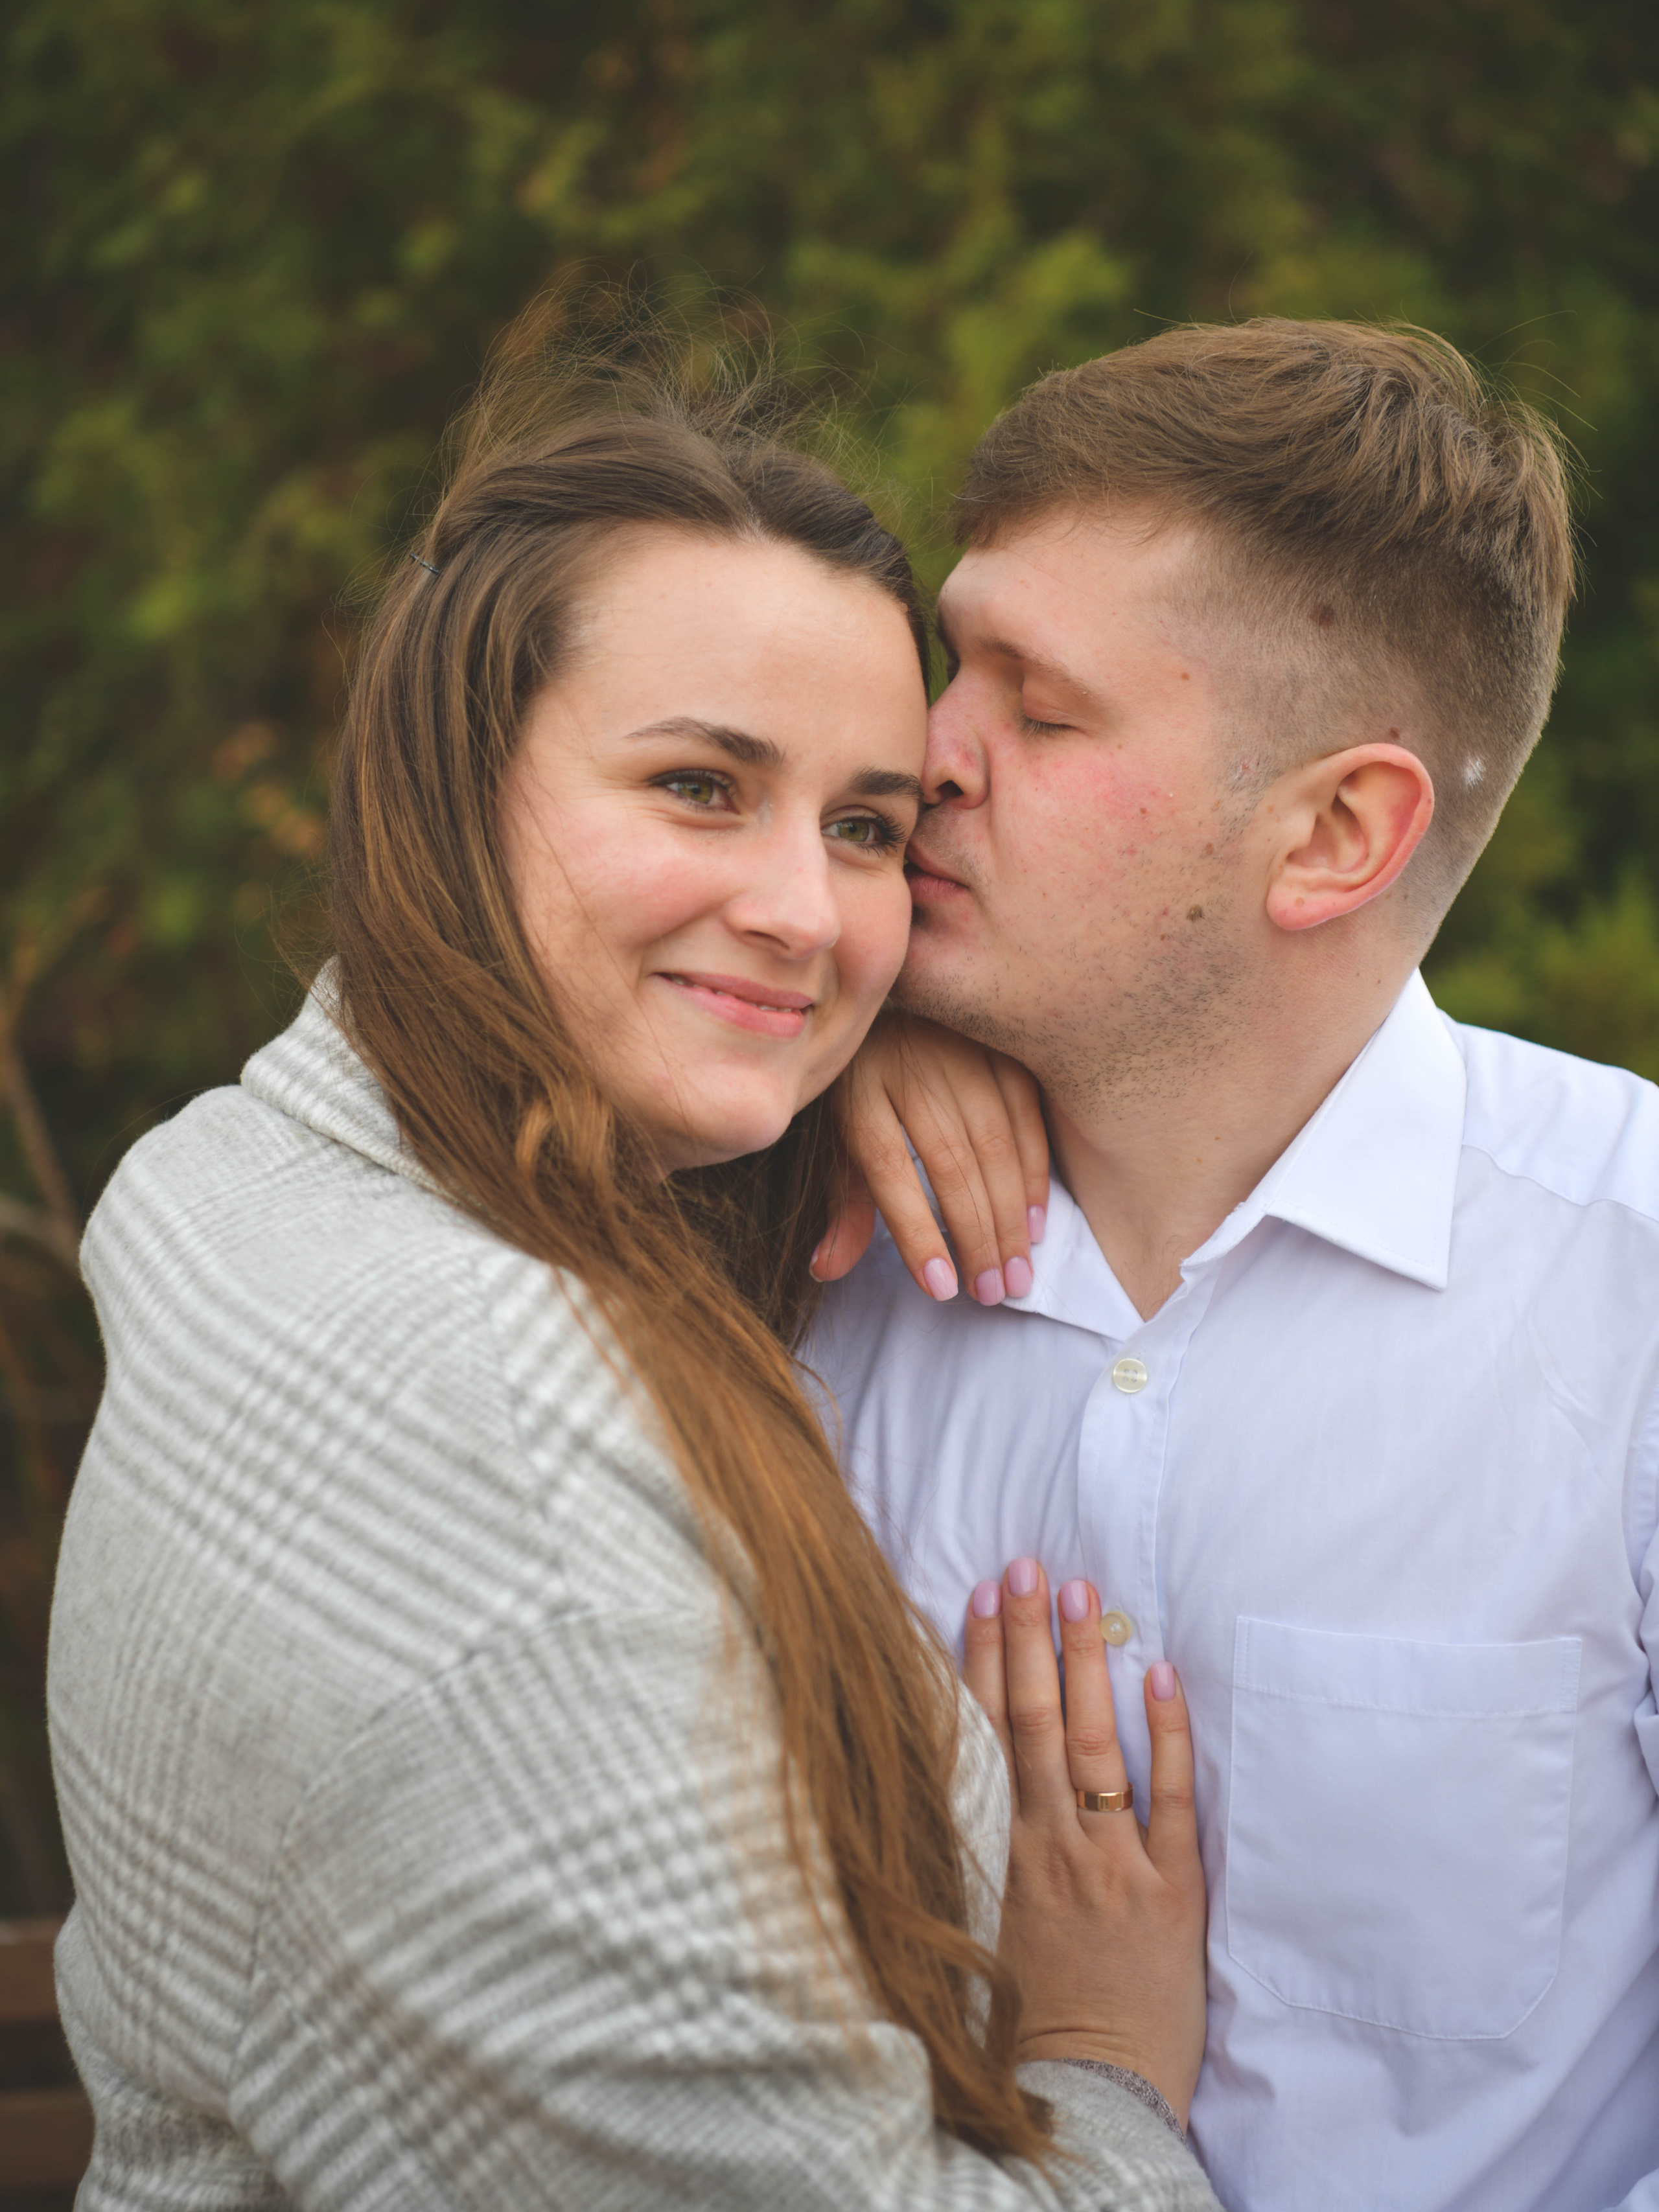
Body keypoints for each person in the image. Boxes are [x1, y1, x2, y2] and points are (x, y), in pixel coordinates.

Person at [45, 339, 1221, 2211]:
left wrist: (817, 1065)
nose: (803, 910)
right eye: (697, 785)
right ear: (452, 788)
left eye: (865, 829)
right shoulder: (502, 1490)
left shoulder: (270, 1175)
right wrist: (1102, 2066)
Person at [809, 319, 1659, 2212]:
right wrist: (819, 1052)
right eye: (956, 662)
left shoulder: (1631, 1299)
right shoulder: (787, 1234)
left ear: (1337, 834)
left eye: (1040, 712)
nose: (924, 754)